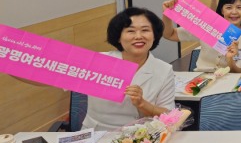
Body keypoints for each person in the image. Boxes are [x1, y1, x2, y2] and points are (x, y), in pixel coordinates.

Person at [5, 8, 176, 132]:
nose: (138, 36)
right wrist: (7, 63)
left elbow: (169, 116)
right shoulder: (97, 62)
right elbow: (44, 77)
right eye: (130, 31)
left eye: (145, 30)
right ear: (118, 36)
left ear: (155, 35)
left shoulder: (163, 69)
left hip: (143, 137)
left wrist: (142, 104)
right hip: (95, 136)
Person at [162, 0, 241, 73]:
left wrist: (230, 59)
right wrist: (167, 14)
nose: (234, 12)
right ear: (222, 10)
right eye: (228, 7)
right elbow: (169, 35)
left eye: (239, 7)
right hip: (201, 78)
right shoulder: (206, 26)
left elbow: (239, 71)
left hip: (228, 81)